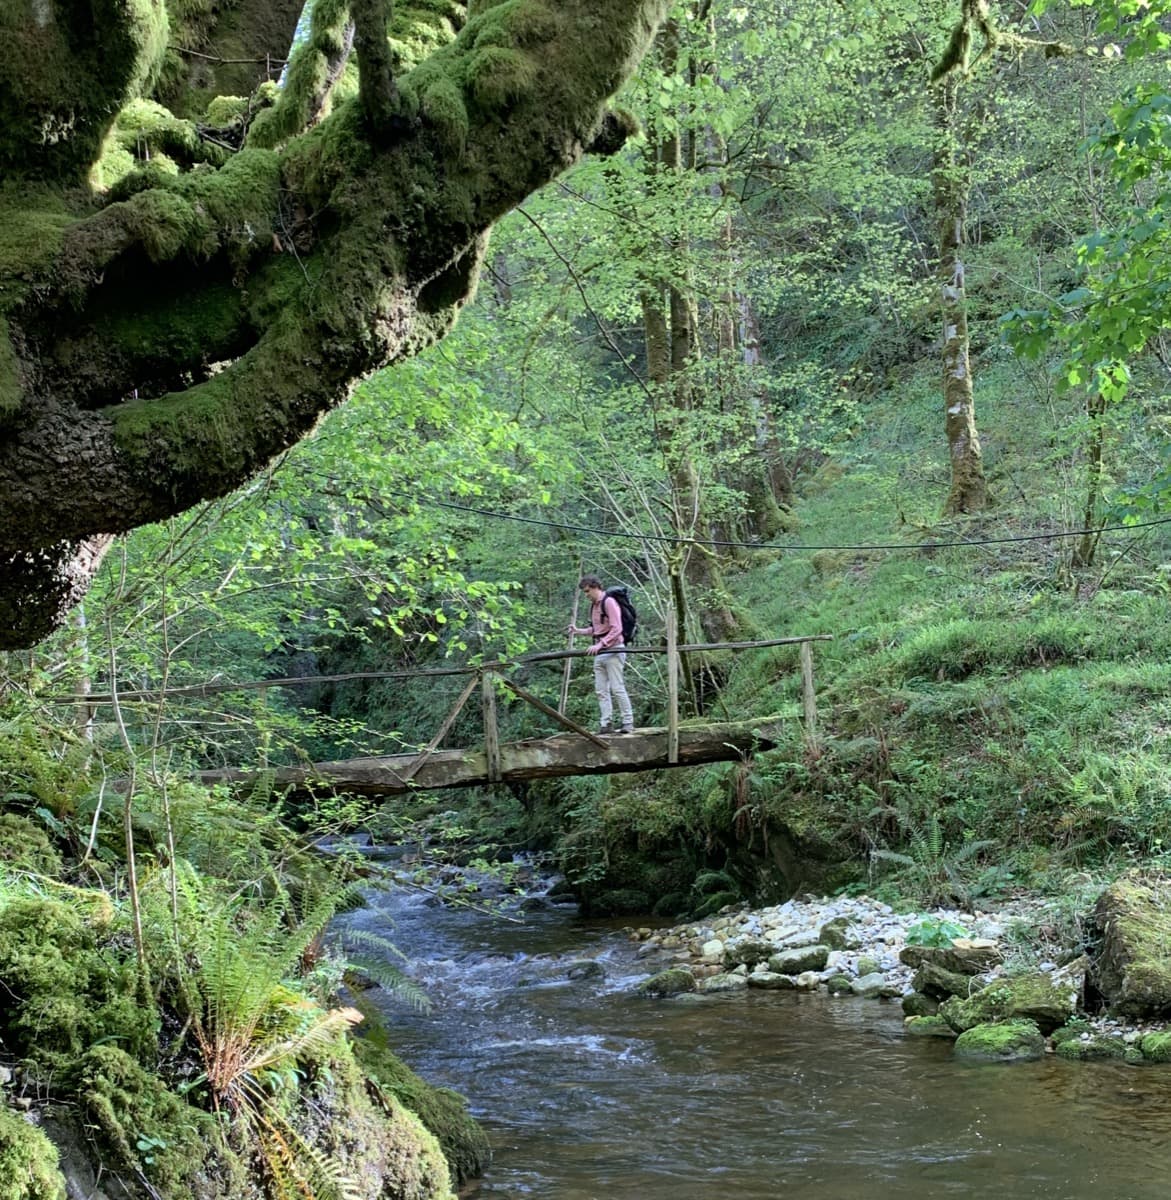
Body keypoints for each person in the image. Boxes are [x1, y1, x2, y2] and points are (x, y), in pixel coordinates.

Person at [568, 574, 634, 735]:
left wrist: (601, 644)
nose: (586, 595)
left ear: (596, 587)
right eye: (584, 592)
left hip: (614, 649)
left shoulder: (609, 602)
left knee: (617, 687)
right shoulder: (594, 606)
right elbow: (597, 629)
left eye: (587, 591)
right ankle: (606, 723)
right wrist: (578, 631)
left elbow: (616, 628)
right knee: (601, 690)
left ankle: (628, 722)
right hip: (600, 652)